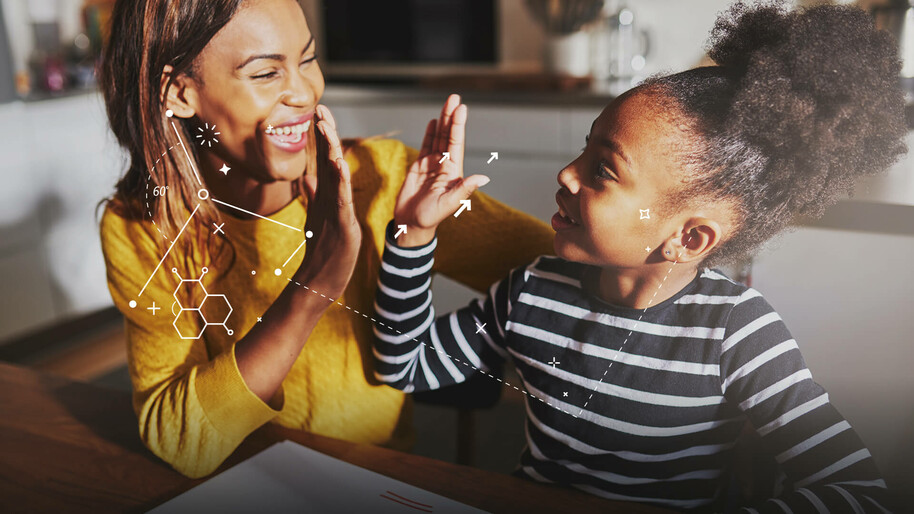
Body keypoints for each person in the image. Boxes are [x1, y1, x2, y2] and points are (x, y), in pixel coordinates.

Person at [372, 2, 905, 511]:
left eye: (603, 169)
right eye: (585, 148)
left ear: (688, 239)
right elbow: (403, 367)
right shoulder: (531, 289)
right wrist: (415, 234)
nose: (567, 172)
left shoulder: (736, 331)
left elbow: (856, 491)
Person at [97, 0, 553, 478]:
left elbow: (573, 274)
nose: (304, 91)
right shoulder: (141, 228)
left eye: (308, 60)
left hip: (376, 479)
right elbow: (179, 440)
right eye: (266, 74)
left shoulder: (386, 178)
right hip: (238, 482)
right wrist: (310, 290)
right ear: (179, 93)